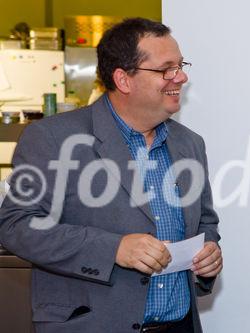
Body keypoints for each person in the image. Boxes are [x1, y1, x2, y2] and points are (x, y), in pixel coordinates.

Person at [0, 18, 221, 333]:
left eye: (181, 65)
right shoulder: (53, 139)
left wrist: (208, 256)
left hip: (180, 326)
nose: (181, 77)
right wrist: (113, 249)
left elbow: (205, 223)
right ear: (124, 79)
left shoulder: (190, 144)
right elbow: (15, 225)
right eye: (166, 69)